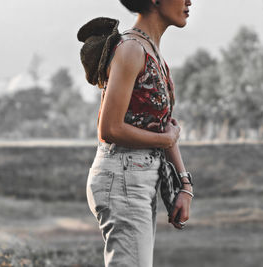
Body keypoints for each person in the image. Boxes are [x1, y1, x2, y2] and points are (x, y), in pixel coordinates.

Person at [84, 0, 193, 266]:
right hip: (122, 177)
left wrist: (185, 186)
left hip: (137, 176)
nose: (190, 1)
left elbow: (165, 128)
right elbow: (109, 128)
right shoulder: (131, 49)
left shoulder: (153, 53)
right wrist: (165, 139)